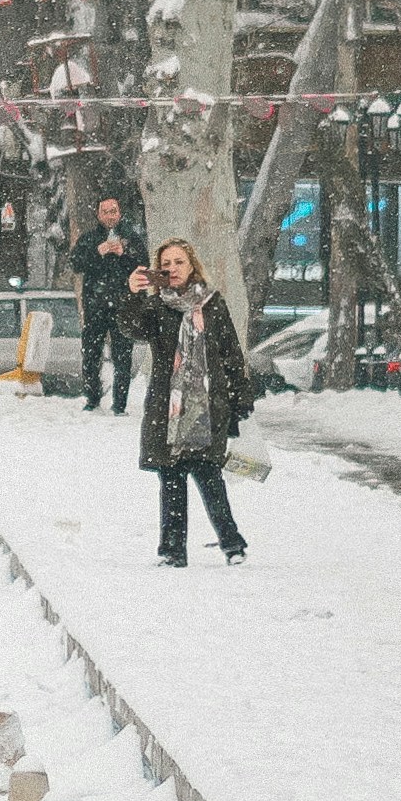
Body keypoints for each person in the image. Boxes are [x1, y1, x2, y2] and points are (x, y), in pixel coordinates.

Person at [129, 240, 253, 563]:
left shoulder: (212, 304)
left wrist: (241, 398)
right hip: (166, 409)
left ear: (192, 266)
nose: (172, 268)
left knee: (209, 477)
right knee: (170, 479)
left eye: (179, 262)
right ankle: (172, 551)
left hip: (206, 408)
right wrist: (131, 292)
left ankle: (232, 544)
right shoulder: (156, 308)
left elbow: (230, 353)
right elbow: (129, 327)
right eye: (166, 263)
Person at [70, 194, 147, 415]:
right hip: (95, 305)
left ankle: (119, 404)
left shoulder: (132, 238)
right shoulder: (89, 239)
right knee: (91, 353)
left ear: (120, 213)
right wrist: (98, 252)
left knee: (123, 355)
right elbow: (76, 264)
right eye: (106, 211)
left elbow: (144, 265)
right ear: (98, 214)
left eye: (114, 211)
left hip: (124, 306)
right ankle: (92, 399)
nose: (110, 216)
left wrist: (125, 254)